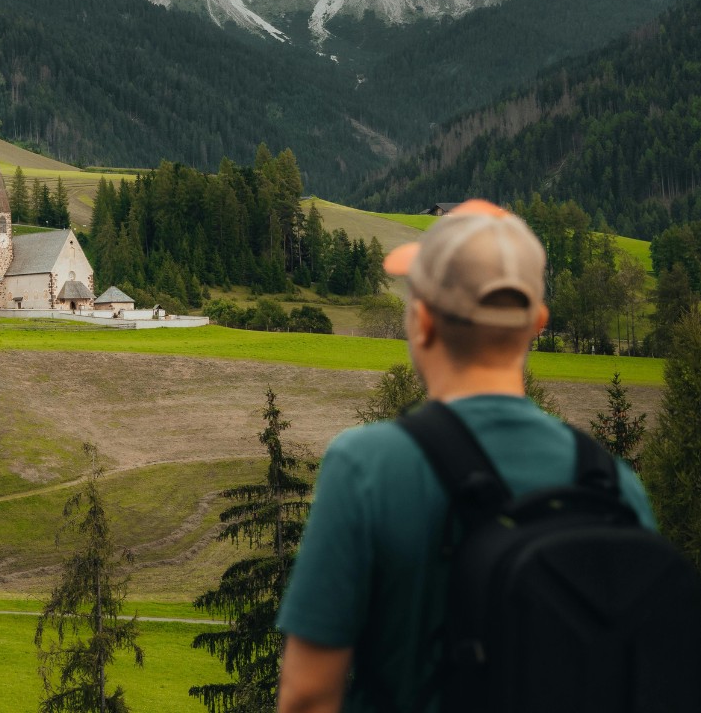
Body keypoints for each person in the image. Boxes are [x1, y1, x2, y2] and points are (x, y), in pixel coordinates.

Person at [274, 200, 655, 713]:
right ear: (537, 324)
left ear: (423, 321)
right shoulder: (615, 486)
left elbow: (308, 694)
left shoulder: (366, 467)